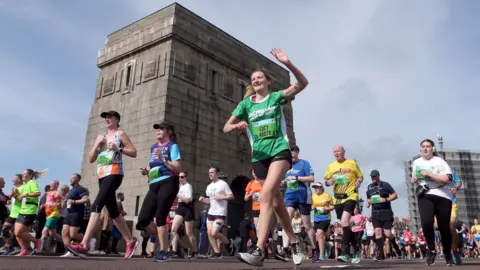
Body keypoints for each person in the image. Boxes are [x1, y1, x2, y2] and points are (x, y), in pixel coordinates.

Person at [223, 48, 309, 267]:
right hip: (258, 157)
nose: (257, 80)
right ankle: (293, 239)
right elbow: (226, 126)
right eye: (253, 79)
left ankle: (258, 249)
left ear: (267, 81)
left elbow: (303, 83)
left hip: (279, 150)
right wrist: (236, 125)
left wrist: (288, 62)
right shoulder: (246, 104)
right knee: (276, 201)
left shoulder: (276, 98)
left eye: (260, 77)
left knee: (267, 193)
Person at [66, 110, 138, 259]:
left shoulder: (121, 134)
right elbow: (91, 159)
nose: (107, 119)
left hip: (115, 173)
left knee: (96, 205)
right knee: (113, 212)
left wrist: (119, 149)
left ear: (117, 119)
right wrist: (96, 145)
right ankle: (130, 241)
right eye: (105, 117)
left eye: (110, 117)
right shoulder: (101, 137)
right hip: (102, 175)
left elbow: (134, 152)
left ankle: (84, 244)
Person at [136, 121, 182, 262]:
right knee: (143, 219)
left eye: (161, 129)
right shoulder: (153, 147)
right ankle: (165, 241)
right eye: (157, 129)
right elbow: (155, 169)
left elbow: (177, 168)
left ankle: (164, 250)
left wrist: (163, 159)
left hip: (169, 182)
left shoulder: (172, 146)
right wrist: (147, 172)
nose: (158, 131)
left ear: (169, 132)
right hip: (154, 183)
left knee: (161, 217)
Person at [411, 139, 453, 266]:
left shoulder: (440, 161)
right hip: (425, 195)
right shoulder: (416, 162)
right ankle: (431, 250)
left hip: (442, 195)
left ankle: (447, 253)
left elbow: (447, 179)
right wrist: (414, 179)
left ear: (432, 149)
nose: (425, 149)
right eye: (423, 147)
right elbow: (416, 178)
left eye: (428, 146)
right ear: (420, 149)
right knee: (426, 222)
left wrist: (430, 175)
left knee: (444, 227)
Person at [324, 145, 364, 263]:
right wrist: (328, 182)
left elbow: (360, 176)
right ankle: (356, 249)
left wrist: (358, 181)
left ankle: (345, 252)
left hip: (351, 196)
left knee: (344, 221)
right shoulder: (331, 166)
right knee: (345, 225)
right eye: (334, 151)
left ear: (343, 152)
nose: (336, 153)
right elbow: (326, 181)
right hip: (338, 199)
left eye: (338, 151)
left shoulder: (352, 163)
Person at [277, 145, 316, 262]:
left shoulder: (304, 163)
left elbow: (311, 178)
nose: (290, 153)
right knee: (286, 220)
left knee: (307, 225)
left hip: (303, 196)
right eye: (289, 152)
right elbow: (282, 180)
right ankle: (285, 249)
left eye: (292, 151)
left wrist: (297, 177)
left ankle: (314, 249)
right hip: (290, 196)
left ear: (297, 152)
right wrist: (282, 183)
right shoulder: (285, 165)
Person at [198, 167, 235, 259]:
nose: (210, 174)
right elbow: (209, 201)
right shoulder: (209, 186)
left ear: (217, 173)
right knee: (209, 233)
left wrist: (221, 198)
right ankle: (217, 252)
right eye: (209, 173)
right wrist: (203, 200)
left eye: (212, 172)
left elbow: (231, 196)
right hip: (211, 212)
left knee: (214, 233)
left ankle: (228, 243)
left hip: (220, 212)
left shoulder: (223, 184)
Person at [365, 169, 401, 261]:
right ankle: (381, 255)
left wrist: (385, 199)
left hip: (386, 211)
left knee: (388, 234)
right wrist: (368, 202)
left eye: (375, 176)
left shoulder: (385, 185)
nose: (373, 178)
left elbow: (395, 195)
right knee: (377, 231)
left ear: (378, 176)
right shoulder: (369, 187)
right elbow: (368, 198)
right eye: (372, 177)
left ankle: (396, 246)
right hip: (375, 212)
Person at [14, 169, 47, 256]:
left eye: (24, 174)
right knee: (16, 232)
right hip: (22, 210)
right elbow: (21, 198)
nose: (22, 175)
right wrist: (18, 195)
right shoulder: (25, 185)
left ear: (29, 175)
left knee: (19, 232)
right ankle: (25, 249)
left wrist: (26, 195)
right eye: (22, 173)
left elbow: (37, 193)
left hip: (30, 210)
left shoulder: (32, 183)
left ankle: (37, 241)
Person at [170, 170, 197, 259]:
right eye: (179, 177)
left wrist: (177, 194)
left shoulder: (188, 186)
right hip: (180, 208)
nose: (180, 178)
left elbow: (188, 200)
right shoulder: (178, 186)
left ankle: (194, 251)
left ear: (186, 177)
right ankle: (174, 251)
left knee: (189, 233)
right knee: (173, 230)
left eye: (182, 177)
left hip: (187, 208)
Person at [41, 180, 68, 252]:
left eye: (52, 185)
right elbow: (48, 202)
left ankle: (39, 248)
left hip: (54, 214)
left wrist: (60, 204)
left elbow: (65, 199)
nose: (50, 186)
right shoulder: (48, 193)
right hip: (48, 214)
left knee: (44, 231)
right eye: (50, 184)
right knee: (53, 234)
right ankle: (68, 246)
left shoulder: (57, 192)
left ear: (56, 185)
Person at [310, 182, 333, 262]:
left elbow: (333, 206)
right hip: (316, 218)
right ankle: (327, 246)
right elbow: (311, 206)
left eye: (317, 187)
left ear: (321, 188)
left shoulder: (327, 196)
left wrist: (328, 209)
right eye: (315, 187)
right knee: (318, 237)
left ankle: (321, 255)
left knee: (319, 233)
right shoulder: (313, 196)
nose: (316, 189)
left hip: (326, 217)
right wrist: (312, 207)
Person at [1, 174, 23, 255]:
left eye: (14, 179)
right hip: (13, 213)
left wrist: (15, 195)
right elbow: (14, 200)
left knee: (16, 232)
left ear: (19, 180)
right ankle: (9, 248)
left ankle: (18, 247)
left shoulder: (23, 188)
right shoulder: (15, 189)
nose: (12, 180)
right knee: (5, 230)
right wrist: (10, 200)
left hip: (20, 213)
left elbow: (24, 200)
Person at [449, 170, 463, 264]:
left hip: (451, 202)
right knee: (445, 230)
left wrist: (455, 188)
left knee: (451, 227)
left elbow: (459, 182)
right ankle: (452, 249)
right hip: (438, 204)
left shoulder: (449, 171)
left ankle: (454, 250)